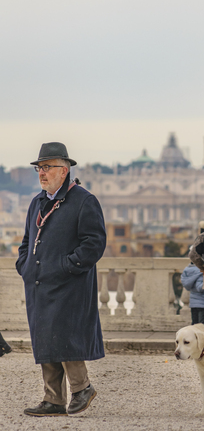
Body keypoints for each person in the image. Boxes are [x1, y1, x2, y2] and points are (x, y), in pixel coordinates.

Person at [16, 142, 106, 417]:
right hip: (39, 283)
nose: (42, 173)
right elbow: (26, 242)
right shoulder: (37, 202)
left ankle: (82, 388)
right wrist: (26, 265)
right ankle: (53, 399)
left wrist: (67, 266)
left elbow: (94, 244)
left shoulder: (84, 200)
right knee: (46, 339)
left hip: (69, 284)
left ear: (64, 170)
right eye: (39, 168)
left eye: (48, 167)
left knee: (64, 335)